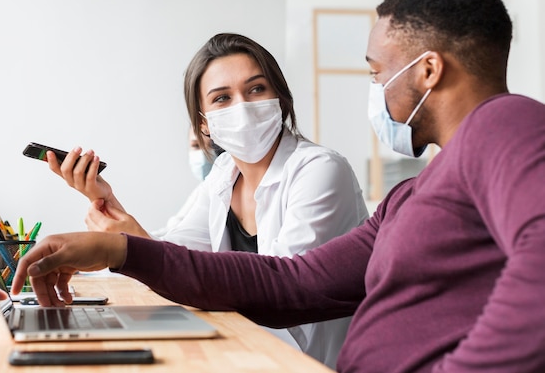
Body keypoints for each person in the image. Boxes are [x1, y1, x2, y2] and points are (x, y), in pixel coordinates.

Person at [13, 0, 545, 372]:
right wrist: (117, 249)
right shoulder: (412, 195)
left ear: (428, 70)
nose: (375, 88)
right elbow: (292, 282)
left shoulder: (505, 121)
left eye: (376, 72)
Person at [42, 33, 369, 367]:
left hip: (308, 363)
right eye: (222, 98)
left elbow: (283, 293)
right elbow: (174, 258)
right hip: (247, 352)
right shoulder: (224, 173)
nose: (242, 106)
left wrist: (121, 246)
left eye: (256, 89)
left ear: (280, 98)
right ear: (204, 123)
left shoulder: (320, 171)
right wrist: (105, 200)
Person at [149, 128, 223, 237]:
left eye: (212, 146)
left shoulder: (227, 190)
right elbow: (174, 228)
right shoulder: (202, 190)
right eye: (196, 146)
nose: (203, 154)